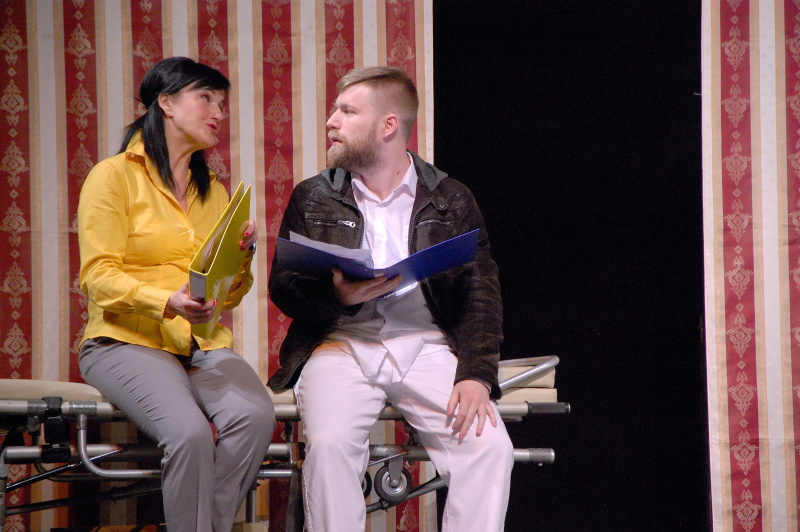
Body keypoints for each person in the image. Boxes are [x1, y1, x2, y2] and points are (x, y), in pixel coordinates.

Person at [267, 65, 514, 531]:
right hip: (340, 344)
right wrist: (336, 295)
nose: (331, 122)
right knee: (330, 446)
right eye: (335, 110)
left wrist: (477, 375)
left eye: (347, 112)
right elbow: (285, 286)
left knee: (488, 447)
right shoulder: (314, 196)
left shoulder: (450, 198)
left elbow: (480, 290)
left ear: (388, 125)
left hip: (425, 344)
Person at [77, 56, 275, 532]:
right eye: (206, 98)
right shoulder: (114, 176)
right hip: (124, 341)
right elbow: (97, 277)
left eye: (222, 103)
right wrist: (166, 301)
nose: (218, 112)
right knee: (188, 434)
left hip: (199, 345)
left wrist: (242, 257)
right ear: (165, 103)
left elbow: (227, 297)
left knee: (255, 415)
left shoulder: (215, 193)